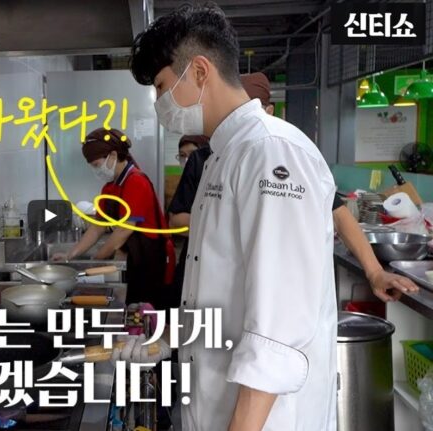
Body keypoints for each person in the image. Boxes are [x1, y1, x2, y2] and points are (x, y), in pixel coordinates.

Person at [120, 5, 337, 430]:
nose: (161, 104)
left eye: (161, 87)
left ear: (200, 71)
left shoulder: (272, 153)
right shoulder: (222, 156)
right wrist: (167, 338)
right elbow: (217, 287)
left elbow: (279, 328)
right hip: (214, 406)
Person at [168, 72, 419, 303]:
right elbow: (177, 218)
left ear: (269, 111)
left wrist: (375, 272)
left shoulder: (293, 153)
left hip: (267, 289)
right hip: (207, 278)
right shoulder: (207, 158)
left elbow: (338, 213)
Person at [52, 128, 175, 307]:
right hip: (135, 256)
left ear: (113, 155)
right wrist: (70, 255)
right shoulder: (110, 187)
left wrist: (95, 262)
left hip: (151, 258)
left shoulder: (136, 182)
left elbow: (124, 230)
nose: (96, 170)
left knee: (147, 311)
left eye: (96, 165)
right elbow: (98, 226)